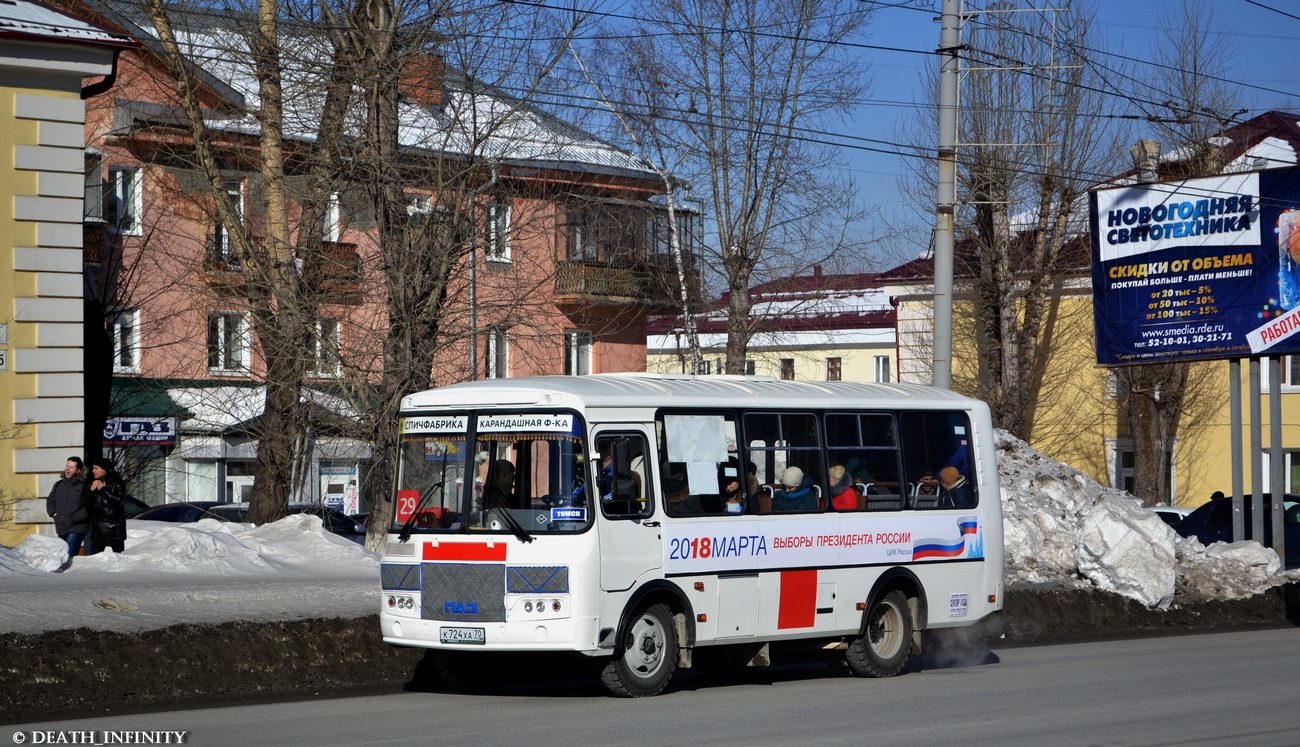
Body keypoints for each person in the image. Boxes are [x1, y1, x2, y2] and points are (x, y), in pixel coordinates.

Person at [46, 456, 89, 558]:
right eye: (67, 466)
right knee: (61, 557)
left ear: (78, 470)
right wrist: (54, 513)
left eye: (71, 467)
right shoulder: (59, 484)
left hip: (77, 528)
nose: (68, 469)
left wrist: (74, 517)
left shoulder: (83, 486)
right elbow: (50, 500)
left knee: (68, 556)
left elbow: (88, 507)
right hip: (62, 527)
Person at [85, 457, 128, 555]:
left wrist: (102, 490)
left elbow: (119, 502)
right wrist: (91, 491)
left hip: (114, 529)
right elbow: (88, 507)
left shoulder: (117, 482)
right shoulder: (94, 483)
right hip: (98, 528)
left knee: (117, 559)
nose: (93, 471)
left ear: (104, 469)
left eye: (96, 468)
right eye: (93, 468)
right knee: (96, 559)